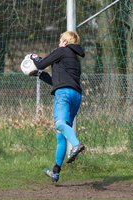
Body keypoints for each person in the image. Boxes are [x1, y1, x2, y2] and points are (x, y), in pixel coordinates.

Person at [30, 31, 85, 182]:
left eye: (61, 39)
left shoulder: (61, 51)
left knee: (60, 124)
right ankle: (56, 172)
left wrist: (34, 58)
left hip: (64, 94)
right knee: (60, 135)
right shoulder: (74, 58)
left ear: (65, 42)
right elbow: (58, 80)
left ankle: (75, 145)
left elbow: (41, 63)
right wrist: (40, 75)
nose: (59, 42)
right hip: (76, 96)